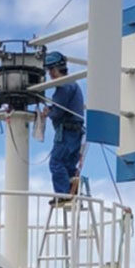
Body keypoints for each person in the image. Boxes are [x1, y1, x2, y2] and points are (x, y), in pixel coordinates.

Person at [40, 51, 84, 202]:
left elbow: (58, 112)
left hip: (66, 133)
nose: (50, 74)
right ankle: (73, 192)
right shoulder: (74, 85)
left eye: (50, 70)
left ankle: (63, 195)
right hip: (76, 134)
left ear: (56, 69)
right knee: (69, 166)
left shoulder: (64, 87)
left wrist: (48, 112)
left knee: (56, 163)